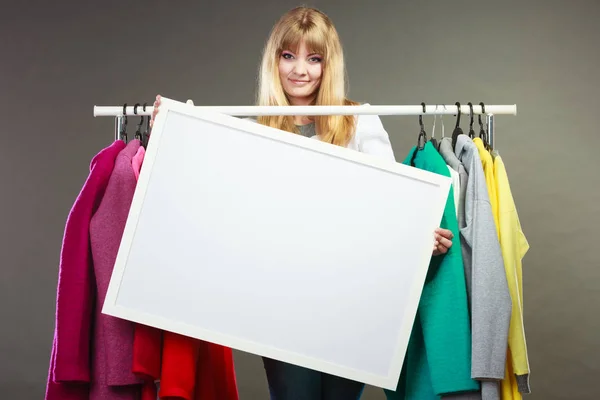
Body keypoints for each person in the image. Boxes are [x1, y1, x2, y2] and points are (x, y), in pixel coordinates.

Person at [150, 6, 454, 399]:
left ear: (329, 66)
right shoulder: (253, 132)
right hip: (283, 306)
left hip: (353, 302)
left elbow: (389, 208)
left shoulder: (359, 122)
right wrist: (176, 127)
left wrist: (420, 238)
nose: (300, 70)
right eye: (288, 56)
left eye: (314, 59)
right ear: (273, 60)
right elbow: (210, 192)